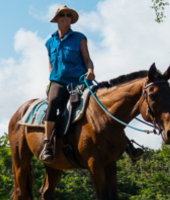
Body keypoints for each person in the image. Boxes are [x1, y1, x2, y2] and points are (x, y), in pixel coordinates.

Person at [40, 5, 144, 163]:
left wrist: (90, 70)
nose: (66, 17)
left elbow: (87, 59)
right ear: (57, 19)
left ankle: (128, 145)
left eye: (68, 15)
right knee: (53, 103)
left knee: (101, 105)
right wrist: (51, 79)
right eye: (62, 15)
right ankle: (48, 145)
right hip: (58, 82)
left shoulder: (79, 38)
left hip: (80, 81)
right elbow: (50, 64)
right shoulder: (50, 42)